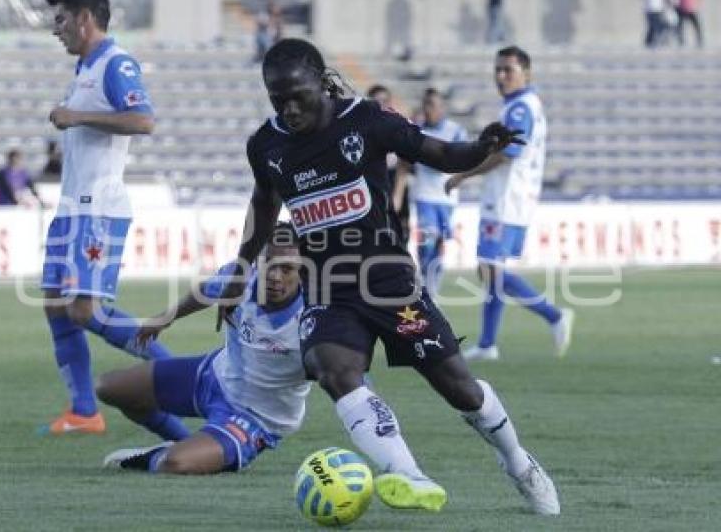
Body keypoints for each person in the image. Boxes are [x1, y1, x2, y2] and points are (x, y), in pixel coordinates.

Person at [222, 38, 560, 515]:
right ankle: (407, 473)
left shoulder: (365, 121)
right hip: (327, 287)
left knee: (458, 387)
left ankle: (518, 461)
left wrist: (480, 148)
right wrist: (240, 269)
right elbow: (263, 203)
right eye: (278, 99)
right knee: (332, 368)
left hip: (388, 282)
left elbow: (436, 152)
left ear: (321, 82)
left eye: (298, 95)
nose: (289, 108)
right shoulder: (267, 145)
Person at [40, 0, 189, 440]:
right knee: (56, 306)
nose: (55, 29)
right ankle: (84, 411)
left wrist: (77, 116)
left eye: (61, 19)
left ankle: (184, 383)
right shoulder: (86, 66)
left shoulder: (115, 63)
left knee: (84, 311)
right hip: (71, 208)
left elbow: (143, 119)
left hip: (98, 207)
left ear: (85, 19)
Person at [100, 224, 309, 474]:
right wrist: (165, 317)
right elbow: (206, 291)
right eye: (268, 264)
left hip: (255, 418)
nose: (275, 276)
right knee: (109, 388)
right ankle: (182, 441)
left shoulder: (313, 316)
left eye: (286, 269)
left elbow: (343, 367)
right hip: (212, 376)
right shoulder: (241, 278)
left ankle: (160, 456)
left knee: (176, 464)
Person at [445, 46, 574, 362]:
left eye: (508, 70)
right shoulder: (523, 106)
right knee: (492, 269)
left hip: (506, 200)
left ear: (526, 73)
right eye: (498, 69)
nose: (501, 76)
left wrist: (463, 174)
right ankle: (488, 344)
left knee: (490, 268)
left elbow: (507, 154)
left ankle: (554, 315)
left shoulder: (519, 109)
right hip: (515, 199)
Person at [393, 88, 467, 299]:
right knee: (427, 238)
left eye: (432, 105)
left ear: (442, 107)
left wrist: (455, 173)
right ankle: (425, 284)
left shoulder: (455, 131)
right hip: (425, 195)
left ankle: (432, 288)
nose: (428, 110)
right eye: (426, 105)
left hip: (447, 199)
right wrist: (398, 193)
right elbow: (404, 163)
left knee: (440, 244)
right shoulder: (417, 131)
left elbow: (464, 160)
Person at [368, 83, 412, 244]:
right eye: (376, 101)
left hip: (394, 179)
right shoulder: (363, 127)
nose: (381, 105)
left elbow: (404, 162)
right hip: (373, 182)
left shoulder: (397, 124)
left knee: (401, 231)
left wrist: (398, 194)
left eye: (385, 100)